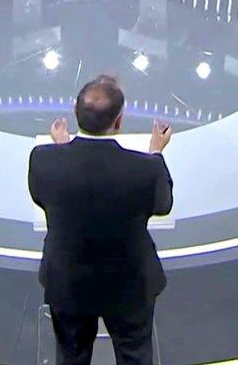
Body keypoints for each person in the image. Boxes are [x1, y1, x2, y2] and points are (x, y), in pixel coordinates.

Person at [28, 75, 174, 365]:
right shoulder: (146, 170)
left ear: (75, 111)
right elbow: (162, 205)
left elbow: (41, 196)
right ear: (119, 121)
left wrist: (63, 147)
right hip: (129, 285)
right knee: (135, 356)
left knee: (71, 355)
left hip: (68, 283)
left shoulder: (43, 160)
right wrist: (156, 151)